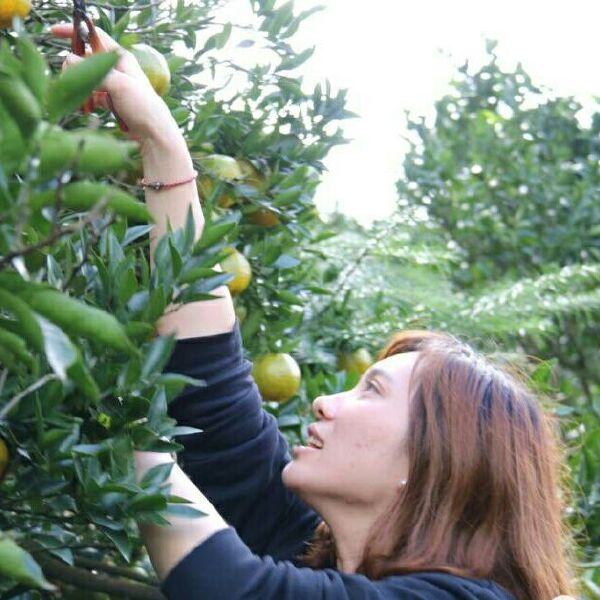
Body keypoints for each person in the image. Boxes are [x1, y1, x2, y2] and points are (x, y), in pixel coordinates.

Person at [49, 23, 579, 600]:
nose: (325, 401)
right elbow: (214, 403)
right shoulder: (318, 553)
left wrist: (114, 413)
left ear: (438, 463)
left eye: (371, 390)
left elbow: (237, 591)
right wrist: (160, 139)